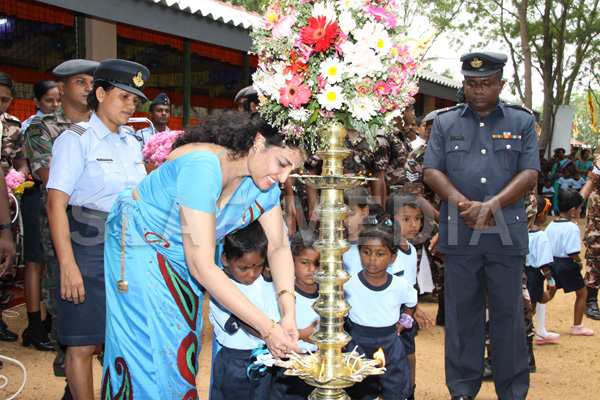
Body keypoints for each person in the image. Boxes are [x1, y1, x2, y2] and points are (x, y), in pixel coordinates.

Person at [101, 111, 303, 399]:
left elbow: (279, 246)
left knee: (179, 348)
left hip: (184, 264)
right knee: (151, 355)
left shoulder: (260, 184)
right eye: (282, 163)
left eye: (291, 170)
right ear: (258, 142)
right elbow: (202, 266)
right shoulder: (203, 167)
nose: (283, 177)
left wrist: (288, 314)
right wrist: (267, 329)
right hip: (142, 249)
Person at [423, 51, 539, 400]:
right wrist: (465, 206)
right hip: (461, 229)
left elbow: (530, 174)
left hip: (506, 229)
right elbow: (431, 171)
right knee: (462, 316)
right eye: (472, 84)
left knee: (509, 315)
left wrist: (490, 207)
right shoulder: (445, 122)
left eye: (486, 83)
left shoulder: (521, 121)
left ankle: (512, 391)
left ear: (500, 84)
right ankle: (462, 390)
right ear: (464, 84)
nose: (478, 91)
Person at [46, 59, 150, 400]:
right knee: (83, 342)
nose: (131, 106)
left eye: (135, 100)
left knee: (122, 336)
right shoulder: (76, 140)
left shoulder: (132, 142)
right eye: (124, 97)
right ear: (101, 94)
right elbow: (55, 205)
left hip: (128, 248)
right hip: (88, 245)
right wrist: (68, 266)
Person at [24, 58, 98, 379]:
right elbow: (50, 177)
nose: (87, 89)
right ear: (62, 87)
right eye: (80, 82)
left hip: (101, 230)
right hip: (62, 225)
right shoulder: (42, 127)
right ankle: (68, 364)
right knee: (64, 296)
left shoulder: (105, 125)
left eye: (92, 83)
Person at [344, 215, 417, 400]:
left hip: (390, 343)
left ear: (392, 257)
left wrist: (405, 321)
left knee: (395, 388)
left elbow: (412, 301)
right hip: (358, 343)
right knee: (360, 390)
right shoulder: (349, 284)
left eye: (380, 254)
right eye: (366, 252)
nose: (372, 259)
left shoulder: (399, 285)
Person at [209, 221, 277, 400]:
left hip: (264, 358)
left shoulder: (264, 281)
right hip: (235, 363)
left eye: (258, 266)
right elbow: (242, 321)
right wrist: (274, 335)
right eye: (244, 268)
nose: (252, 274)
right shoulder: (219, 287)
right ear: (225, 259)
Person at [20, 79, 61, 352]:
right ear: (36, 102)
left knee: (51, 264)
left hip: (56, 199)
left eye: (57, 100)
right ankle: (34, 326)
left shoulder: (68, 124)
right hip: (36, 196)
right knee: (36, 262)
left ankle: (49, 319)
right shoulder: (32, 127)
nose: (54, 105)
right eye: (49, 100)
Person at [271, 227, 320, 400]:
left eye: (318, 263)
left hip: (319, 364)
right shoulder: (282, 293)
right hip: (289, 365)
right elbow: (272, 328)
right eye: (304, 263)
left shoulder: (328, 294)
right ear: (291, 261)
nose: (312, 269)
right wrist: (302, 334)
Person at [0, 70, 29, 343]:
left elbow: (21, 162)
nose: (1, 104)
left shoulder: (13, 126)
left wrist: (15, 182)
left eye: (5, 100)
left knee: (7, 263)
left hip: (7, 206)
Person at [544, 189, 594, 336]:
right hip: (566, 264)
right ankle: (577, 326)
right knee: (582, 293)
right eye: (579, 209)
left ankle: (532, 316)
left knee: (549, 293)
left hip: (552, 263)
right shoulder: (572, 228)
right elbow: (572, 251)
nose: (579, 211)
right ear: (573, 210)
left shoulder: (551, 225)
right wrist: (579, 261)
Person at [524, 195, 558, 344]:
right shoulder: (541, 236)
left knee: (541, 298)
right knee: (530, 306)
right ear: (542, 215)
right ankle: (526, 332)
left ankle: (542, 331)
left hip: (522, 271)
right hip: (534, 275)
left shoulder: (520, 232)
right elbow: (544, 263)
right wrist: (550, 280)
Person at [580, 153, 600, 320]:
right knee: (595, 255)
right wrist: (576, 203)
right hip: (598, 217)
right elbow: (590, 183)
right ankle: (591, 300)